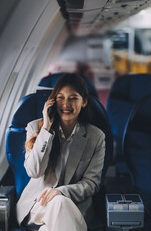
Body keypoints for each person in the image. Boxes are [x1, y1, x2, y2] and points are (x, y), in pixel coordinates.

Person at [16, 73, 105, 231]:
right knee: (59, 205)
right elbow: (34, 171)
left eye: (73, 98)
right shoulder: (35, 128)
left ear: (84, 102)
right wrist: (46, 130)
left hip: (75, 208)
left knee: (57, 208)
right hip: (38, 206)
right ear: (52, 101)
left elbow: (91, 184)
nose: (66, 104)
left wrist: (60, 192)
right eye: (61, 98)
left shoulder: (96, 137)